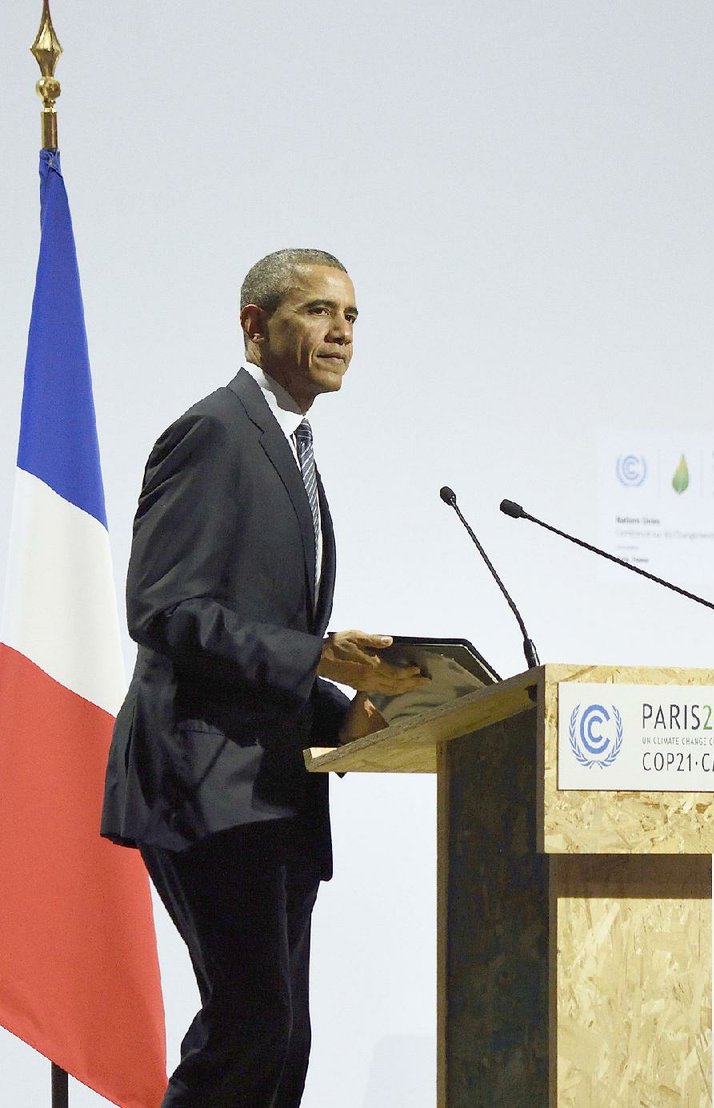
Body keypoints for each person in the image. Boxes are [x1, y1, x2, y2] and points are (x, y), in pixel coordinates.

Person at [101, 248, 425, 1107]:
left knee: (283, 1047)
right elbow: (164, 609)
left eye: (352, 317)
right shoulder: (215, 432)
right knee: (248, 1034)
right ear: (255, 324)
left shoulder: (295, 448)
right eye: (319, 312)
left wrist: (336, 713)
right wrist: (316, 659)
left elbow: (259, 630)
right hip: (208, 786)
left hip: (274, 787)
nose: (341, 333)